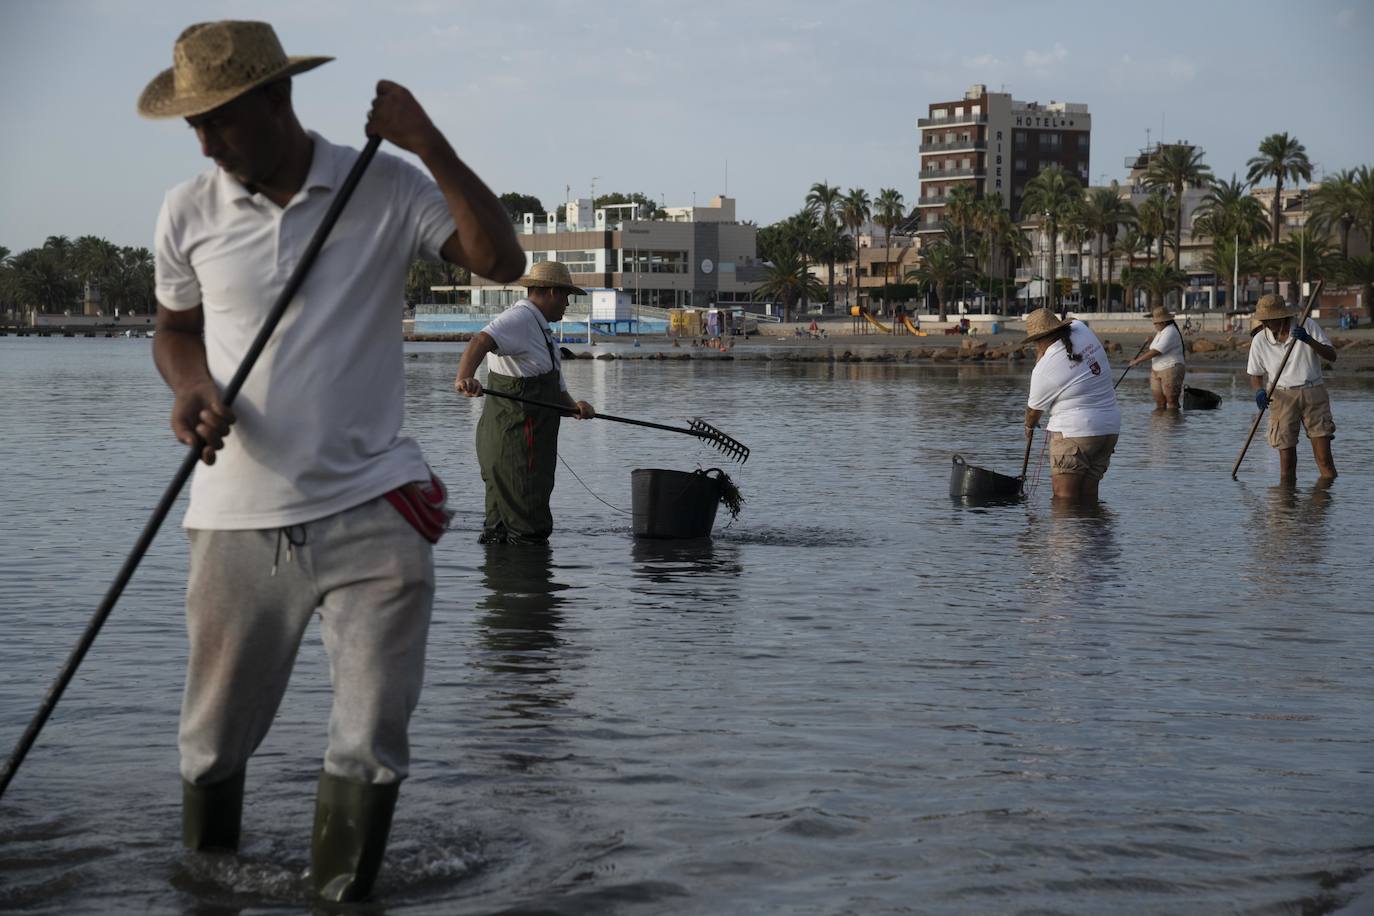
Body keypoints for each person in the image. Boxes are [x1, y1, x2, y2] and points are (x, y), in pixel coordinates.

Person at [143, 20, 524, 902]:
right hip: (234, 514)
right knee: (210, 743)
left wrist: (430, 143)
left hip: (375, 506)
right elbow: (174, 330)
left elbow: (499, 260)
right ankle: (205, 889)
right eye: (193, 125)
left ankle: (340, 898)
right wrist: (190, 388)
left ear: (278, 98)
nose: (207, 141)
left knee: (370, 738)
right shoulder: (186, 210)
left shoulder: (384, 183)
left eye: (223, 118)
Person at [455, 261, 596, 544]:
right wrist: (465, 378)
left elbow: (552, 390)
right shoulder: (520, 318)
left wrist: (576, 408)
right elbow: (481, 340)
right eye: (567, 296)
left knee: (501, 532)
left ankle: (503, 582)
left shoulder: (539, 328)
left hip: (522, 447)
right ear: (553, 292)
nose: (568, 304)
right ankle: (530, 584)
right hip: (517, 446)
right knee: (528, 531)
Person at [1021, 308, 1121, 503]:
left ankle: (1067, 534)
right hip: (1108, 430)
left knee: (1064, 501)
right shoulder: (1080, 329)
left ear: (1037, 340)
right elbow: (1073, 320)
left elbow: (1033, 412)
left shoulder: (1043, 370)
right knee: (1088, 499)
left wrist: (1028, 426)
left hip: (1074, 433)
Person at [1246, 293, 1338, 483]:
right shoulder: (1259, 340)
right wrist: (1259, 391)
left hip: (1313, 393)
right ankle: (1287, 508)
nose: (1267, 325)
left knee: (1324, 460)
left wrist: (1308, 340)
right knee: (1286, 464)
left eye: (1270, 320)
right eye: (1264, 320)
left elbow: (1331, 355)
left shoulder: (1307, 325)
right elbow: (1255, 374)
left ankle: (1324, 505)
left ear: (1282, 317)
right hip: (1281, 396)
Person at [1127, 306, 1186, 409]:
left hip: (1171, 368)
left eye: (1155, 323)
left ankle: (1173, 423)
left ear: (1163, 322)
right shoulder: (1161, 332)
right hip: (1157, 369)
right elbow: (1156, 347)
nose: (1154, 325)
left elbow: (1156, 351)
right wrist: (1152, 340)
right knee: (1160, 402)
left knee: (1171, 402)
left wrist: (1137, 360)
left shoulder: (1170, 331)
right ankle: (1159, 424)